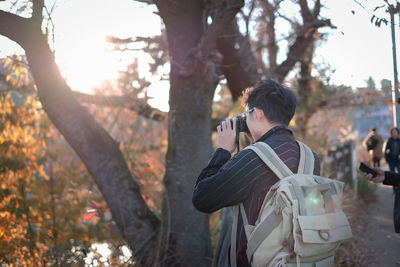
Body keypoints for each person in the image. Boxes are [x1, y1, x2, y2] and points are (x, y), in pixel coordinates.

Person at [192, 79, 320, 267]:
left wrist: (223, 151)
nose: (245, 120)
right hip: (298, 259)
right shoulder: (310, 157)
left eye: (247, 114)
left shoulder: (252, 158)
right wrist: (258, 142)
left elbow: (202, 198)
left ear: (258, 114)